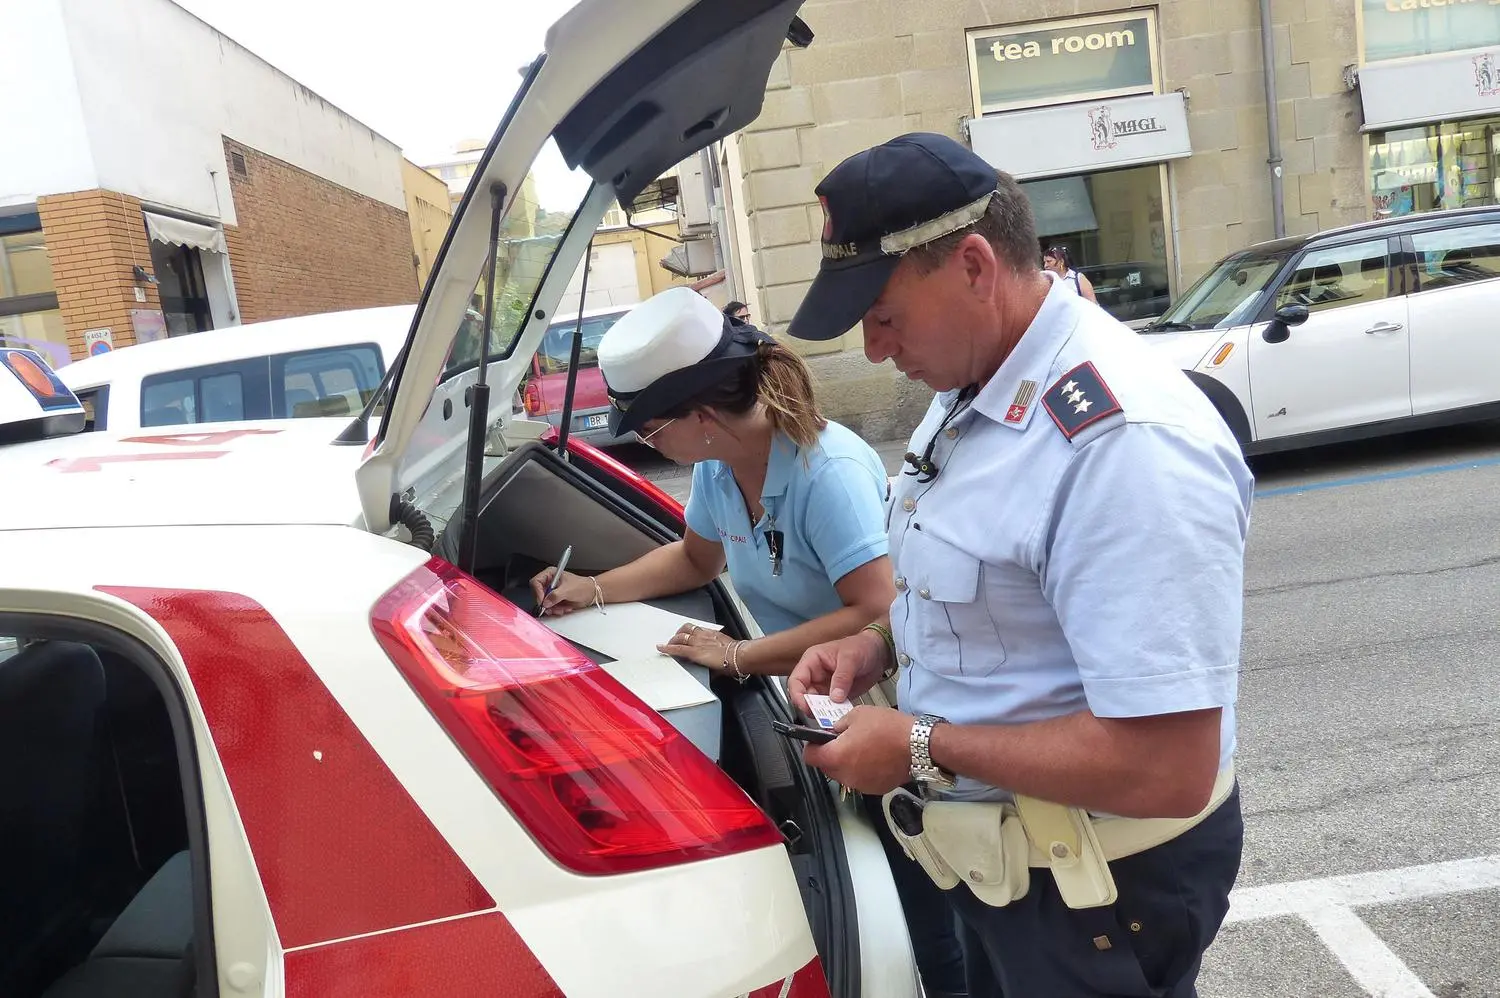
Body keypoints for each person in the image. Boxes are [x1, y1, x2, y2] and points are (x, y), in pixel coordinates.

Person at [783, 132, 1255, 998]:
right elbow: (998, 587)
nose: (875, 349)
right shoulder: (976, 382)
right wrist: (880, 647)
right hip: (1017, 864)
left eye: (884, 315)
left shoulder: (1120, 445)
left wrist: (920, 748)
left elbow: (1167, 763)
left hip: (1098, 894)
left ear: (972, 265)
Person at [529, 285, 969, 997]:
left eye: (649, 431)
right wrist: (594, 586)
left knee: (917, 888)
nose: (651, 445)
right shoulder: (718, 465)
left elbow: (876, 610)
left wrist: (736, 656)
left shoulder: (826, 474)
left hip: (875, 694)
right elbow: (695, 559)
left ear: (701, 417)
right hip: (803, 688)